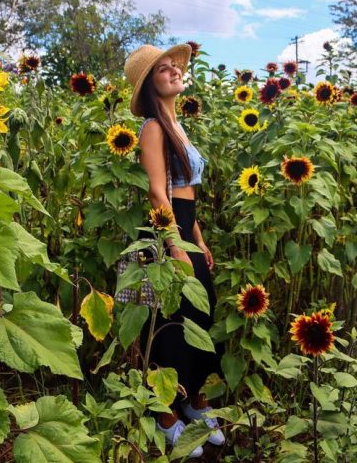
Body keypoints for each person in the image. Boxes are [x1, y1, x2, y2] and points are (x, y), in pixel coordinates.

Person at [123, 44, 224, 457]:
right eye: (162, 70)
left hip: (184, 227)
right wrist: (174, 244)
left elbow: (186, 194)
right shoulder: (152, 127)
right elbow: (156, 191)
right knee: (171, 321)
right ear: (149, 85)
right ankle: (166, 414)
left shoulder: (177, 124)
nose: (173, 72)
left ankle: (193, 397)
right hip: (164, 233)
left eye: (174, 67)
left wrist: (197, 238)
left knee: (201, 314)